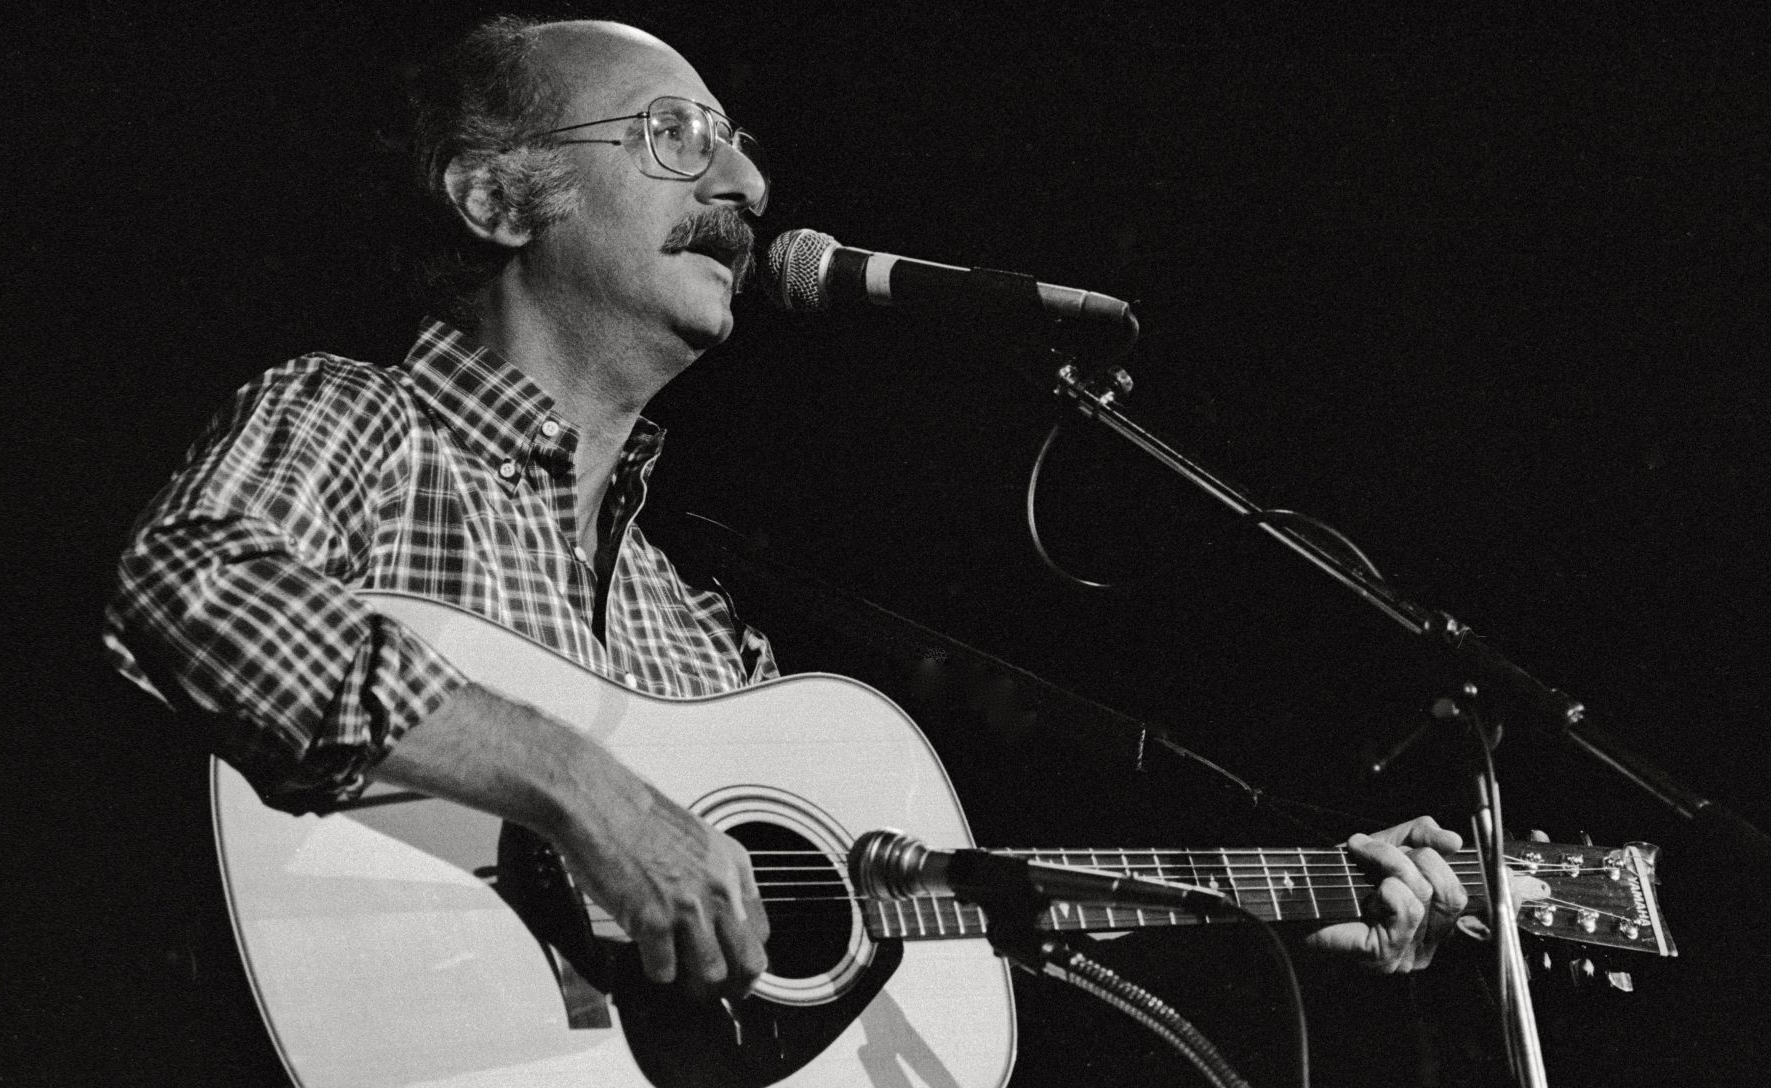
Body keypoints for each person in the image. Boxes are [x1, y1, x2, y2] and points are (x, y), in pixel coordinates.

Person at [105, 17, 1466, 1015]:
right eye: (674, 136)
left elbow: (899, 892)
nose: (748, 189)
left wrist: (1278, 904)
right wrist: (582, 790)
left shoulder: (697, 636)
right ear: (497, 194)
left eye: (741, 149)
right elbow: (192, 589)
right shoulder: (354, 421)